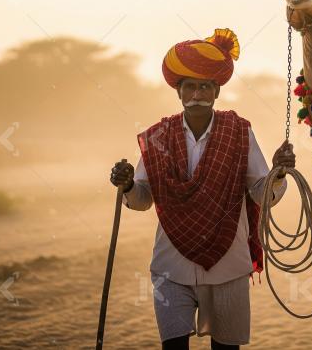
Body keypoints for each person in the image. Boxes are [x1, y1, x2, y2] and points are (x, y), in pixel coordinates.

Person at [109, 28, 295, 350]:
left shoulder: (240, 133)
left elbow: (261, 193)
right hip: (171, 266)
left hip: (228, 266)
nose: (197, 93)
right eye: (190, 86)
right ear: (178, 92)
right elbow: (142, 199)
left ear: (216, 92)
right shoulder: (157, 137)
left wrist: (278, 172)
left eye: (205, 86)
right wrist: (127, 184)